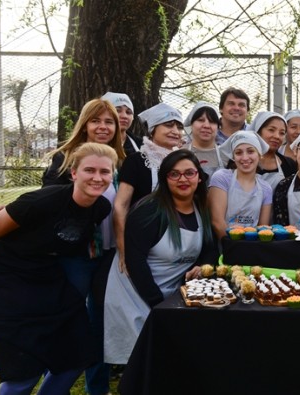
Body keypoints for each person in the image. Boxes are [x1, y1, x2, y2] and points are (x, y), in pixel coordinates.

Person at [0, 143, 116, 395]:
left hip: (44, 278)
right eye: (89, 170)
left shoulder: (101, 208)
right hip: (1, 280)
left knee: (78, 353)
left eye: (104, 172)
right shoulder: (41, 201)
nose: (97, 177)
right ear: (74, 173)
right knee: (22, 370)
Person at [41, 99, 126, 395]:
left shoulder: (121, 160)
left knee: (101, 322)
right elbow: (49, 203)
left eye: (109, 122)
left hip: (110, 254)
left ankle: (97, 387)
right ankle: (54, 380)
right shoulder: (65, 159)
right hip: (76, 255)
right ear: (84, 124)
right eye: (96, 121)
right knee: (69, 320)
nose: (103, 127)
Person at [104, 150, 216, 366]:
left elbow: (210, 248)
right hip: (136, 291)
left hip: (169, 292)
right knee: (142, 359)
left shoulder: (200, 208)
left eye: (189, 173)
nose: (183, 179)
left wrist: (204, 265)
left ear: (199, 177)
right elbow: (135, 263)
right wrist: (159, 305)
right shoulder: (149, 212)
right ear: (165, 179)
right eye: (174, 174)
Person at [114, 103, 183, 273]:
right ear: (152, 130)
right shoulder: (136, 161)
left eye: (179, 126)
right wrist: (124, 249)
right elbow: (120, 206)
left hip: (176, 241)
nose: (175, 130)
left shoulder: (184, 163)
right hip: (139, 242)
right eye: (168, 125)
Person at [208, 131, 273, 239]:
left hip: (252, 248)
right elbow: (217, 223)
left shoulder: (266, 188)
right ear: (233, 156)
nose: (245, 158)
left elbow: (263, 228)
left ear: (259, 154)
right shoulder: (222, 178)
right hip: (226, 247)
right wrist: (235, 248)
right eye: (238, 153)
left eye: (250, 151)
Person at [251, 111, 297, 190]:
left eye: (282, 133)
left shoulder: (289, 165)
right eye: (271, 130)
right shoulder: (243, 161)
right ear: (258, 131)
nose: (277, 136)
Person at [183, 101, 223, 178]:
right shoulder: (180, 154)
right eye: (201, 120)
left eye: (212, 121)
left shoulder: (225, 154)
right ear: (191, 125)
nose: (206, 126)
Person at [103, 91, 142, 156]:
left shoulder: (143, 146)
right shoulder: (90, 145)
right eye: (117, 110)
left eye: (128, 112)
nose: (124, 116)